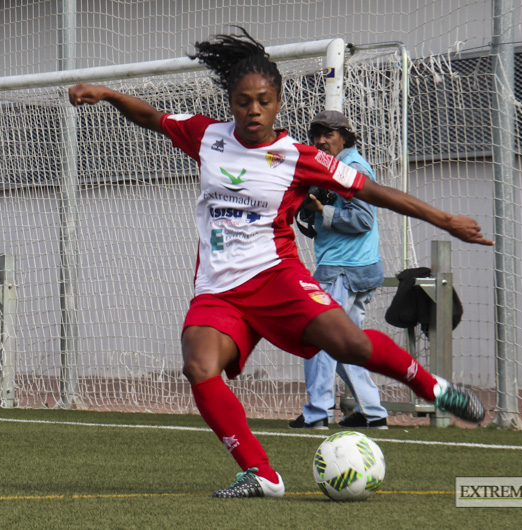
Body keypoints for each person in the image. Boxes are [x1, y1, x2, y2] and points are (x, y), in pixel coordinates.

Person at [68, 27, 493, 499]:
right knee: (198, 366)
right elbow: (151, 116)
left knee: (349, 344)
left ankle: (433, 389)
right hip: (217, 289)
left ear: (279, 101)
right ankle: (261, 474)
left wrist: (446, 219)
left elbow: (372, 192)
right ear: (230, 102)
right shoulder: (205, 135)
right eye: (243, 101)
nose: (253, 111)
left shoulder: (297, 156)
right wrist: (106, 94)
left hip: (276, 279)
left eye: (264, 101)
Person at [289, 110, 389, 431]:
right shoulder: (331, 168)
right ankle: (373, 411)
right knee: (344, 343)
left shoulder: (351, 167)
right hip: (351, 269)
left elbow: (363, 219)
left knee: (319, 336)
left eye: (328, 134)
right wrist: (311, 213)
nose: (320, 141)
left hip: (343, 271)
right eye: (316, 135)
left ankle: (317, 411)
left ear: (344, 137)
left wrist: (324, 212)